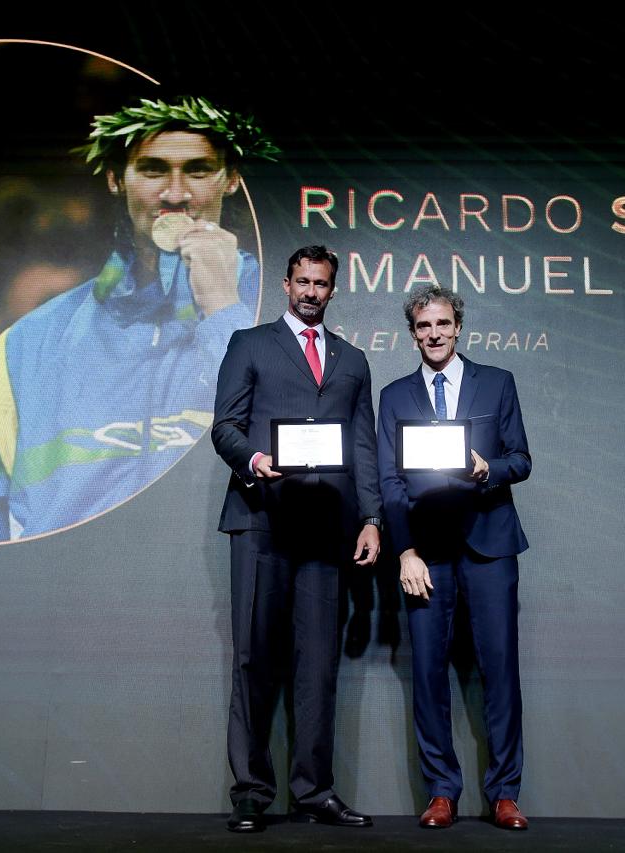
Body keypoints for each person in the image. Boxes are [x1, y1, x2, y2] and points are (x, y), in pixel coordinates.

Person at [0, 96, 276, 542]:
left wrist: (221, 308)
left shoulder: (282, 306)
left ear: (231, 179)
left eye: (198, 170)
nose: (176, 193)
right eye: (153, 169)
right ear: (116, 178)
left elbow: (297, 443)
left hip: (226, 589)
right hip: (74, 598)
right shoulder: (24, 348)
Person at [212, 245, 381, 832]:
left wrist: (372, 518)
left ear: (333, 290)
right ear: (287, 284)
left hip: (326, 530)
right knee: (254, 659)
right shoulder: (249, 344)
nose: (312, 292)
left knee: (318, 666)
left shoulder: (354, 361)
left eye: (322, 284)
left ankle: (314, 791)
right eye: (303, 281)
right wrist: (254, 458)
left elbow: (363, 447)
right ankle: (252, 794)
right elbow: (224, 427)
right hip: (261, 520)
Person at [376, 284, 532, 830]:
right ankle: (442, 791)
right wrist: (406, 551)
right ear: (412, 333)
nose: (434, 334)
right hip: (428, 553)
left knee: (500, 672)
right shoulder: (395, 395)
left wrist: (488, 468)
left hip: (490, 544)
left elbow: (521, 460)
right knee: (427, 674)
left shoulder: (497, 382)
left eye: (442, 324)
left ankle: (505, 793)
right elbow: (390, 482)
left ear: (458, 326)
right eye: (423, 327)